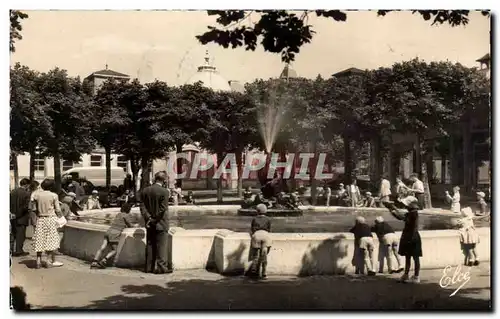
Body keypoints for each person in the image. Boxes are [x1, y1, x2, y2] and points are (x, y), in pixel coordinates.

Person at [140, 171, 172, 274]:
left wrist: (148, 218)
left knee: (150, 244)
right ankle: (161, 268)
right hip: (161, 223)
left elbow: (142, 206)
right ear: (164, 180)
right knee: (161, 245)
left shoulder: (145, 190)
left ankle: (148, 267)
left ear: (155, 178)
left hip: (149, 223)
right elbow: (163, 209)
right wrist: (154, 219)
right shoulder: (164, 192)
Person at [90, 203, 138, 269]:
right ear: (128, 209)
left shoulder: (118, 214)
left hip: (109, 231)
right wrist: (136, 225)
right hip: (115, 233)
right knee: (114, 250)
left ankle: (94, 261)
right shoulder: (126, 215)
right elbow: (130, 225)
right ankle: (103, 261)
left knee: (102, 247)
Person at [385, 200, 422, 283]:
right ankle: (410, 275)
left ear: (410, 208)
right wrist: (393, 209)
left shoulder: (412, 214)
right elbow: (401, 216)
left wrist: (392, 209)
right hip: (413, 236)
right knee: (413, 257)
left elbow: (401, 217)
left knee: (411, 257)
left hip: (411, 237)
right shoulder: (413, 214)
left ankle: (413, 276)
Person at [30, 179, 64, 268]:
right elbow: (58, 210)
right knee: (50, 240)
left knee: (40, 239)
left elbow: (33, 208)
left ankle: (38, 261)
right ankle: (48, 261)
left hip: (40, 219)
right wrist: (62, 218)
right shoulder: (54, 195)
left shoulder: (37, 195)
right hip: (50, 219)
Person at [249, 204, 272, 279]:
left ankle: (254, 271)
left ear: (257, 211)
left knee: (256, 255)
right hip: (265, 235)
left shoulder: (254, 219)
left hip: (257, 235)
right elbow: (269, 229)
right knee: (264, 255)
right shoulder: (268, 219)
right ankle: (264, 272)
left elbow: (252, 229)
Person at [10, 178, 31, 256]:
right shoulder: (26, 194)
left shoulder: (12, 192)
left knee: (13, 234)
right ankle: (19, 250)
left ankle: (11, 249)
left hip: (12, 216)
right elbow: (25, 207)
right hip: (22, 217)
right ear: (26, 185)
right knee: (20, 235)